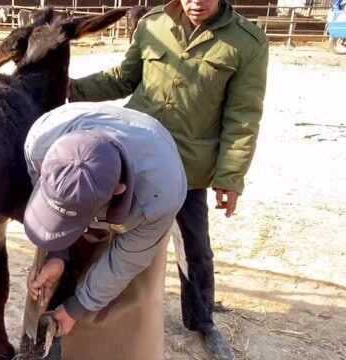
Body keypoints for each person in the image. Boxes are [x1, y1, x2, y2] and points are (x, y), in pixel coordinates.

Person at [67, 0, 269, 358]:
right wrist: (70, 88)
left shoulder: (246, 42)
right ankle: (82, 307)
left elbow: (243, 116)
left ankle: (202, 320)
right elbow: (123, 78)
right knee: (101, 233)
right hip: (133, 155)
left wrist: (230, 177)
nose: (196, 1)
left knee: (194, 248)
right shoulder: (152, 24)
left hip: (186, 169)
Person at [23, 101, 187, 360]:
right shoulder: (41, 141)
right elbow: (53, 208)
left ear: (118, 190)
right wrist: (57, 253)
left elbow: (126, 261)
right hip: (86, 175)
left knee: (130, 302)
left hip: (141, 200)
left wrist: (77, 308)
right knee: (51, 281)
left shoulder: (160, 194)